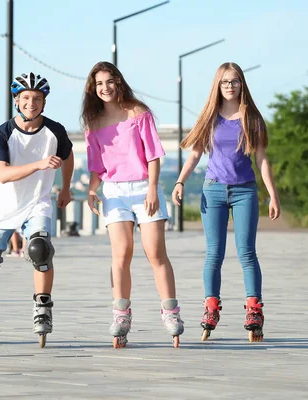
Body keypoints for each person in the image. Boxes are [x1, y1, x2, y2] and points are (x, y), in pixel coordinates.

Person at [0, 72, 74, 348]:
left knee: (40, 249)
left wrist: (66, 187)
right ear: (16, 101)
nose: (31, 103)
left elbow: (67, 156)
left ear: (44, 103)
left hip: (38, 200)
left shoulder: (55, 130)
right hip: (4, 203)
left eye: (37, 99)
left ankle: (42, 307)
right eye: (25, 98)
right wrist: (40, 164)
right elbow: (5, 174)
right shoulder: (2, 133)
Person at [171, 62, 281, 342]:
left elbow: (262, 158)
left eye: (234, 81)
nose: (230, 86)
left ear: (242, 84)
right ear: (217, 86)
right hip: (214, 190)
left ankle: (254, 310)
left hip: (245, 191)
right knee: (214, 254)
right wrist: (180, 181)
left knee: (246, 253)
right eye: (224, 82)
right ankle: (211, 307)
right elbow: (195, 154)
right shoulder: (209, 117)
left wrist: (272, 194)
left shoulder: (252, 118)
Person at [82, 61, 184, 348]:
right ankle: (121, 315)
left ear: (119, 82)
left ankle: (170, 312)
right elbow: (96, 166)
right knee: (121, 254)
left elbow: (152, 155)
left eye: (109, 81)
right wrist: (92, 190)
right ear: (93, 88)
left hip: (143, 188)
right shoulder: (93, 122)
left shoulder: (139, 113)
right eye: (99, 83)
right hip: (114, 192)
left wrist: (152, 188)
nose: (105, 88)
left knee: (155, 253)